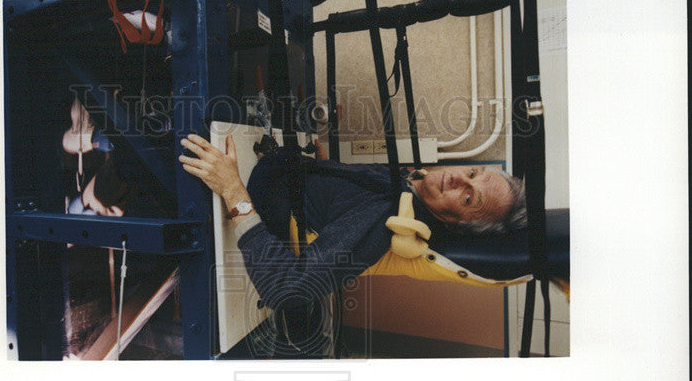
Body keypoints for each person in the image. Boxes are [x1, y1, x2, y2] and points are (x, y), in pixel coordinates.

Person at [178, 134, 525, 357]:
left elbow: (288, 289)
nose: (458, 178)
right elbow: (346, 200)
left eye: (467, 198)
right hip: (264, 171)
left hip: (238, 193)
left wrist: (233, 191)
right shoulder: (409, 181)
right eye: (476, 173)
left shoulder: (386, 216)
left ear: (454, 222)